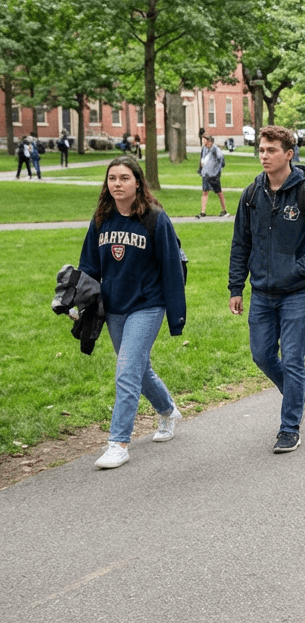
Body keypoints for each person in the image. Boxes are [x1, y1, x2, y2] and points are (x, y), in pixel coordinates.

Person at [229, 125, 305, 454]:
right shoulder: (250, 195)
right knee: (261, 354)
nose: (264, 155)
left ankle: (289, 427)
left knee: (292, 358)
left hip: (297, 293)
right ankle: (298, 391)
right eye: (261, 150)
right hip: (261, 292)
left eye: (271, 150)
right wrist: (236, 286)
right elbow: (240, 244)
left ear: (289, 154)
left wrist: (296, 271)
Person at [79, 156, 186, 470]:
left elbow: (171, 269)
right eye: (112, 178)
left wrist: (176, 315)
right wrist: (79, 302)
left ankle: (118, 443)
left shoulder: (155, 219)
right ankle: (168, 412)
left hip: (148, 305)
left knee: (126, 371)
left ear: (138, 182)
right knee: (139, 370)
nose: (117, 184)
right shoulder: (101, 219)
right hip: (114, 308)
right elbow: (89, 267)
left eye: (124, 178)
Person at [197, 135, 229, 218]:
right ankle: (202, 212)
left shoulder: (215, 149)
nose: (203, 142)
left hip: (213, 175)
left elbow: (221, 159)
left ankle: (224, 210)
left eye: (204, 140)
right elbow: (202, 160)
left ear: (209, 141)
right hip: (206, 174)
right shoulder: (204, 149)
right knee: (205, 192)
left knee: (219, 192)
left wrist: (218, 169)